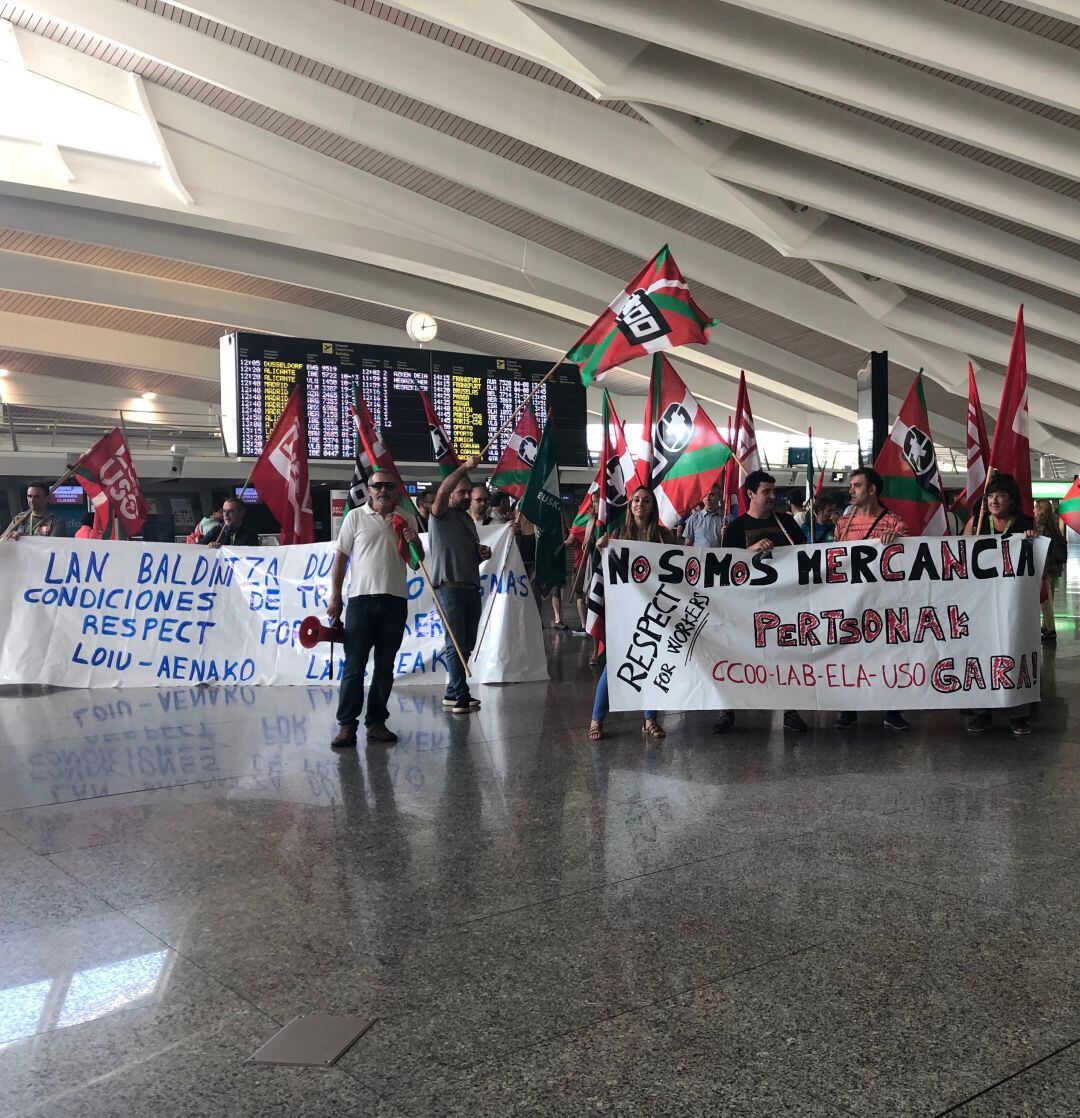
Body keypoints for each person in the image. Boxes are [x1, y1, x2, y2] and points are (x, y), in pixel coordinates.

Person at [327, 469, 422, 747]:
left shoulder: (406, 518)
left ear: (396, 490)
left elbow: (418, 562)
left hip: (394, 601)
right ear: (368, 489)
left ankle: (377, 722)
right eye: (377, 485)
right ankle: (346, 725)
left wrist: (414, 540)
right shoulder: (354, 517)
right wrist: (335, 597)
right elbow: (341, 559)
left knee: (384, 666)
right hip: (360, 601)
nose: (383, 490)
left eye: (389, 486)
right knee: (354, 667)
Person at [715, 470, 808, 734]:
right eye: (766, 492)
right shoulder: (735, 528)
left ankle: (790, 710)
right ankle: (728, 708)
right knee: (736, 655)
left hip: (782, 604)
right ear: (750, 494)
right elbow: (725, 568)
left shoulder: (787, 524)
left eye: (774, 491)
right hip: (746, 605)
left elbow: (803, 556)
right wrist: (749, 552)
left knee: (786, 657)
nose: (772, 496)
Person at [832, 467, 911, 732]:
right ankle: (848, 707)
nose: (851, 491)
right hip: (851, 601)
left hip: (885, 602)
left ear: (872, 489)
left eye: (856, 486)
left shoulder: (895, 523)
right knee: (850, 652)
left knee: (889, 654)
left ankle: (892, 709)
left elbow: (912, 557)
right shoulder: (842, 526)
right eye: (851, 486)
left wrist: (898, 541)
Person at [588, 486, 670, 742]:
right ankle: (596, 719)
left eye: (646, 501)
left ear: (652, 506)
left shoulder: (664, 536)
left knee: (651, 661)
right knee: (613, 665)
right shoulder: (617, 535)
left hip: (655, 609)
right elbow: (604, 572)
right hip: (624, 611)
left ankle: (649, 719)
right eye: (636, 500)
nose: (640, 504)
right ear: (630, 505)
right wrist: (601, 548)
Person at [963, 472, 1036, 736]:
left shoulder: (1026, 524)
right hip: (980, 603)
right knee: (982, 656)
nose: (994, 501)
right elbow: (960, 556)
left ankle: (1018, 714)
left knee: (1014, 653)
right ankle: (983, 712)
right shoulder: (978, 523)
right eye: (990, 496)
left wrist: (1031, 540)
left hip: (1012, 604)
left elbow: (1038, 561)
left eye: (1000, 496)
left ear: (1011, 500)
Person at [429, 457, 492, 713]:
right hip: (449, 588)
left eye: (469, 493)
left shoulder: (466, 520)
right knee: (455, 643)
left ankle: (453, 691)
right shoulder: (440, 513)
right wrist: (464, 468)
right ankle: (461, 695)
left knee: (465, 643)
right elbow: (443, 490)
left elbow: (465, 553)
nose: (466, 496)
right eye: (462, 492)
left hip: (469, 587)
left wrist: (480, 554)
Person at [1035, 499, 1067, 644]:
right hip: (1055, 566)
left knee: (1045, 600)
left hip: (1045, 567)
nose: (1034, 510)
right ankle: (1045, 625)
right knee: (1050, 597)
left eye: (1036, 508)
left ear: (1041, 509)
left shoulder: (1040, 527)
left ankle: (1051, 630)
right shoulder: (1054, 525)